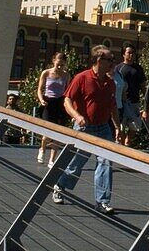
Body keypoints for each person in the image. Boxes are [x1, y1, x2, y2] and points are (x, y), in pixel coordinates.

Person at [53, 45, 120, 214]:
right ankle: (59, 186)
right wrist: (77, 116)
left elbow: (113, 107)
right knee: (77, 164)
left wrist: (118, 127)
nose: (113, 63)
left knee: (105, 162)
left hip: (103, 128)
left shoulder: (110, 83)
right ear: (99, 60)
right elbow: (67, 101)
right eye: (110, 59)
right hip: (84, 127)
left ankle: (102, 201)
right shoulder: (81, 78)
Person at [36, 51, 70, 165]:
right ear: (54, 61)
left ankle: (52, 160)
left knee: (58, 133)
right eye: (58, 63)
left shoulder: (66, 75)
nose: (60, 66)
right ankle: (42, 148)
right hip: (48, 102)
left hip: (60, 103)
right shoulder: (46, 73)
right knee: (48, 131)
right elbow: (40, 89)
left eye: (62, 64)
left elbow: (68, 91)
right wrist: (41, 100)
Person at [116, 45, 146, 146]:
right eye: (129, 52)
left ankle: (128, 141)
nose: (131, 55)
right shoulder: (119, 68)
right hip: (122, 103)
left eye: (133, 52)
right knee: (121, 126)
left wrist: (146, 99)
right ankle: (122, 142)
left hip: (134, 101)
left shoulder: (138, 69)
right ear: (124, 54)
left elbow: (143, 85)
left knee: (135, 125)